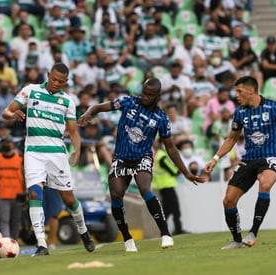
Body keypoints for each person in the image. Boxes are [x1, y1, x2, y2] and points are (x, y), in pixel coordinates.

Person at [78, 78, 206, 252]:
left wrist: (185, 172)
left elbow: (171, 148)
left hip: (142, 158)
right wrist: (88, 113)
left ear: (157, 96)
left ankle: (166, 234)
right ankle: (127, 238)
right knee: (116, 195)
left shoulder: (161, 117)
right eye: (144, 92)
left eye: (150, 95)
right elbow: (99, 107)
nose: (145, 97)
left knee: (145, 189)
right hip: (121, 158)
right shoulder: (128, 102)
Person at [2, 62, 95, 256]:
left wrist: (76, 150)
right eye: (54, 79)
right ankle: (42, 245)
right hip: (33, 152)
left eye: (61, 82)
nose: (56, 83)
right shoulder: (31, 91)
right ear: (47, 75)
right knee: (35, 193)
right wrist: (13, 114)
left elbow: (73, 131)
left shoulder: (68, 101)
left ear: (66, 82)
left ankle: (83, 230)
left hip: (57, 153)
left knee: (68, 199)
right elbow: (6, 112)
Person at [204, 76, 276, 250]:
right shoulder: (240, 112)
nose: (236, 95)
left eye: (239, 91)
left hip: (270, 156)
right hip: (249, 159)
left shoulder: (275, 107)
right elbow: (232, 138)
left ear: (251, 90)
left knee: (265, 184)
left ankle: (253, 233)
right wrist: (215, 158)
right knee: (228, 201)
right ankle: (236, 240)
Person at [0, 136, 24, 241]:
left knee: (16, 221)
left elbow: (24, 176)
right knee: (4, 220)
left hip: (17, 195)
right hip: (3, 195)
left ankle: (14, 241)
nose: (5, 145)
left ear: (13, 145)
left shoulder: (20, 159)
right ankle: (7, 242)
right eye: (3, 143)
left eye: (8, 143)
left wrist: (26, 192)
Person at [152, 139, 184, 235]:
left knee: (167, 210)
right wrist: (177, 171)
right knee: (175, 209)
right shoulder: (161, 155)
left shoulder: (157, 155)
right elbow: (172, 170)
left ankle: (164, 231)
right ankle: (178, 230)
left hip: (162, 186)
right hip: (167, 186)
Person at [43, 186, 63, 250]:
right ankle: (41, 241)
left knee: (53, 215)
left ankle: (52, 242)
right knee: (39, 213)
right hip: (39, 183)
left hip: (53, 185)